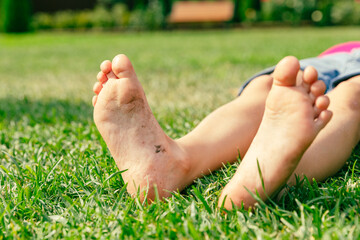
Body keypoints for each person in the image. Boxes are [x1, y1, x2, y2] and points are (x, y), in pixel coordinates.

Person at [91, 42, 360, 210]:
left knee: (351, 97)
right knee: (268, 86)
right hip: (328, 59)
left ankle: (275, 173)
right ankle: (170, 162)